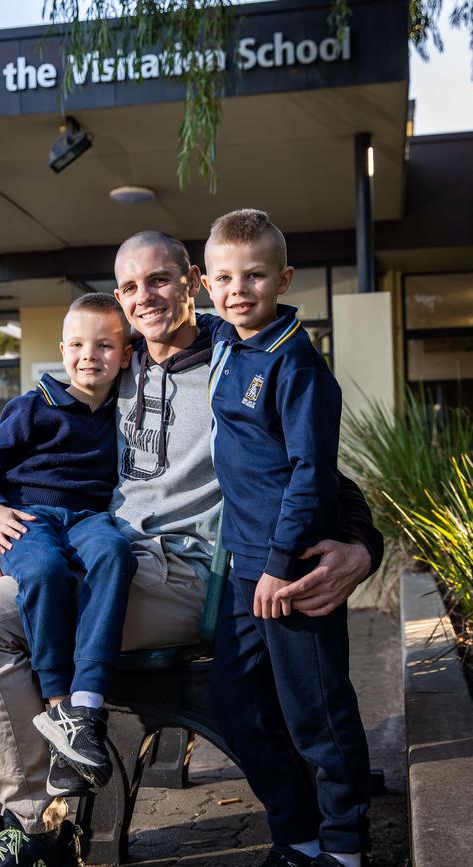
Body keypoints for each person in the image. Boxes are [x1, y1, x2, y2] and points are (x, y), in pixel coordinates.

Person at [0, 229, 382, 867]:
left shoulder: (229, 351)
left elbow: (308, 459)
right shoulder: (121, 359)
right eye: (130, 287)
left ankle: (36, 821)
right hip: (105, 550)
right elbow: (43, 441)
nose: (144, 297)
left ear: (191, 283)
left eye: (159, 281)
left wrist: (360, 541)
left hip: (182, 568)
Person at [202, 209, 372, 867]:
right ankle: (297, 832)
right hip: (244, 565)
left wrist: (278, 564)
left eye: (254, 275)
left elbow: (312, 471)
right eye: (223, 277)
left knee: (317, 713)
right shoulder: (228, 339)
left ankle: (344, 846)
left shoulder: (294, 361)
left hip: (293, 565)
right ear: (206, 285)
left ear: (284, 278)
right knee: (236, 702)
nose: (238, 288)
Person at [0, 292, 137, 798]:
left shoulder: (123, 413)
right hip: (27, 516)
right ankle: (58, 704)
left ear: (125, 355)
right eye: (78, 344)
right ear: (62, 351)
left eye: (104, 345)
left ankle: (88, 700)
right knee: (42, 572)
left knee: (115, 554)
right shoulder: (34, 406)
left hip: (86, 518)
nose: (89, 355)